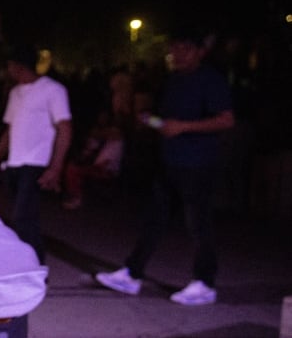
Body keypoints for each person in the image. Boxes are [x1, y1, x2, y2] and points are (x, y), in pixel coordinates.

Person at [95, 26, 234, 305]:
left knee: (198, 224)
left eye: (185, 49)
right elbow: (167, 120)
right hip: (170, 161)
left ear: (199, 52)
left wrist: (184, 127)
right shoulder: (173, 81)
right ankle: (132, 274)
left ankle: (205, 283)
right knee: (154, 220)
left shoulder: (210, 80)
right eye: (175, 48)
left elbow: (226, 120)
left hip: (198, 163)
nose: (178, 54)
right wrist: (150, 120)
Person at [0, 44, 73, 264]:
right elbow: (10, 130)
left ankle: (35, 266)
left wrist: (56, 167)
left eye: (10, 66)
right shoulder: (15, 93)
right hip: (15, 164)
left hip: (36, 163)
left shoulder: (53, 90)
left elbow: (64, 128)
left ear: (18, 67)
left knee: (23, 216)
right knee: (23, 218)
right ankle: (27, 263)